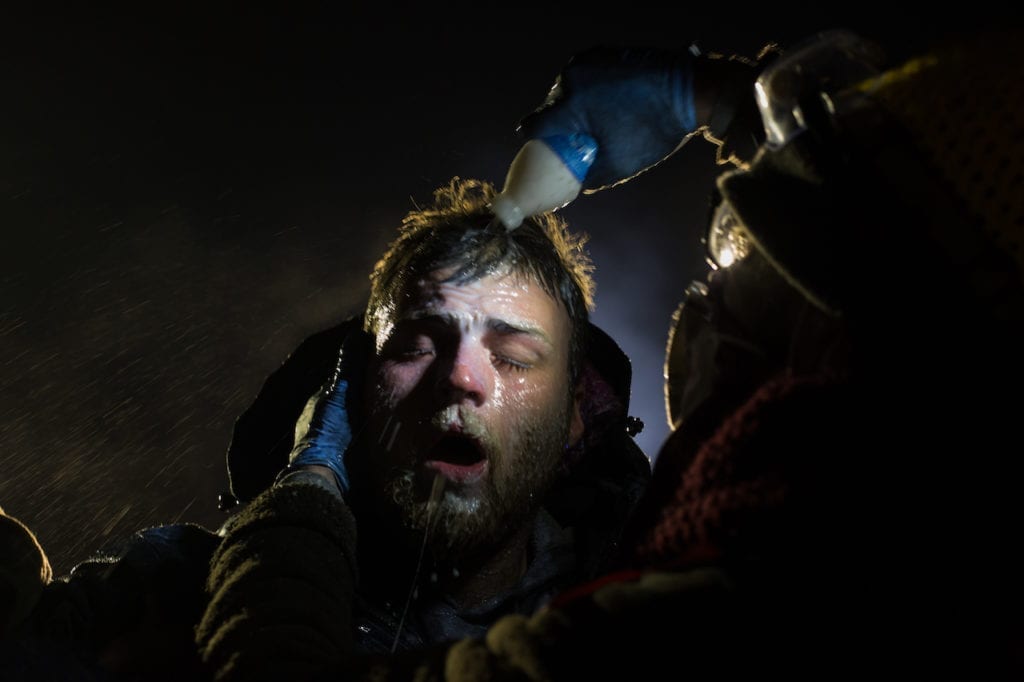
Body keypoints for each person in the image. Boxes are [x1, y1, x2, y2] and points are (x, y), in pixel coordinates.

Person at [203, 25, 1023, 680]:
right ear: (353, 389)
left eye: (749, 263)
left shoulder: (752, 604)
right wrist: (729, 102)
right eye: (417, 343)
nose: (459, 375)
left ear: (580, 414)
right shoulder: (173, 585)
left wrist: (307, 491)